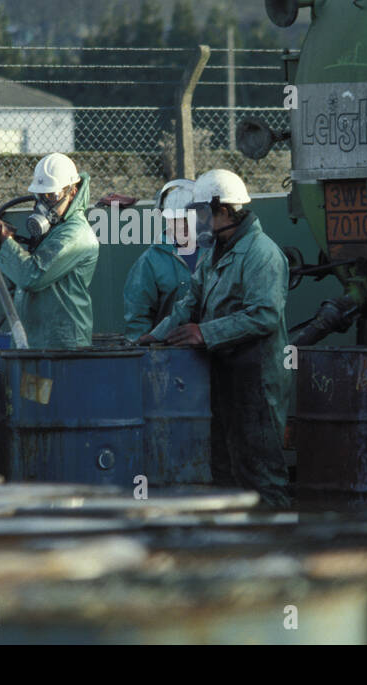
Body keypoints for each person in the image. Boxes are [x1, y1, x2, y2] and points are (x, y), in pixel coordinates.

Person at [140, 169, 291, 508]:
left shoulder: (262, 254)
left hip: (257, 381)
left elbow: (264, 314)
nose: (199, 223)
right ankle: (234, 549)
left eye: (203, 214)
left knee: (261, 474)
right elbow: (190, 301)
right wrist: (156, 336)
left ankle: (276, 546)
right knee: (224, 471)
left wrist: (204, 333)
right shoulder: (215, 254)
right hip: (224, 376)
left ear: (224, 210)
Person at [0, 152, 98, 348]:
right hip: (36, 341)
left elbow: (30, 276)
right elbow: (19, 281)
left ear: (72, 192)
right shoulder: (54, 230)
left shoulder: (75, 234)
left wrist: (2, 241)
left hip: (62, 347)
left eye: (52, 196)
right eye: (40, 196)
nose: (43, 204)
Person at [122, 179, 198, 342]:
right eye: (175, 218)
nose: (182, 224)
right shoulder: (149, 262)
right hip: (169, 352)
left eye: (187, 217)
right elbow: (138, 318)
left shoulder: (216, 253)